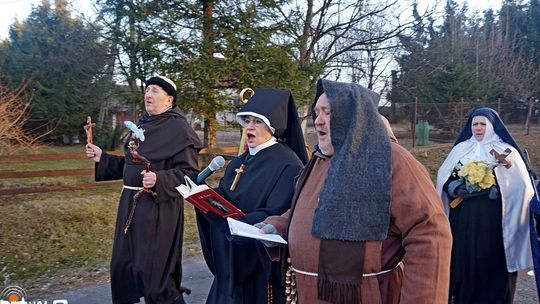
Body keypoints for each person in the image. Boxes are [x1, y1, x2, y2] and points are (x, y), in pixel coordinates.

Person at [256, 79, 452, 303]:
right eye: (316, 112)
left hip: (365, 295)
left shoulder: (392, 160)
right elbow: (312, 209)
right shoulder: (318, 161)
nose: (317, 120)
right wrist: (280, 226)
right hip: (308, 292)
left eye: (327, 113)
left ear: (355, 117)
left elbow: (429, 233)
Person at [85, 75, 202, 304]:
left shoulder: (179, 129)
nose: (148, 94)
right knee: (124, 265)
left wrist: (160, 179)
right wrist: (103, 158)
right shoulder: (142, 125)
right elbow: (130, 164)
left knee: (155, 275)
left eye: (155, 91)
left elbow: (190, 174)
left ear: (169, 99)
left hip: (158, 209)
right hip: (130, 206)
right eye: (147, 90)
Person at [196, 88, 308, 304]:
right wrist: (202, 196)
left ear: (273, 125)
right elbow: (226, 196)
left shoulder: (288, 164)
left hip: (258, 269)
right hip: (230, 263)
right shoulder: (239, 162)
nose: (249, 127)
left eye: (257, 122)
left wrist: (234, 223)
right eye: (247, 120)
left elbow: (276, 213)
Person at [436, 107, 535, 303]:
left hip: (493, 223)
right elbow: (444, 178)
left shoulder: (507, 152)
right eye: (475, 124)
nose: (478, 128)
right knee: (463, 258)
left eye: (483, 124)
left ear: (491, 126)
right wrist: (455, 188)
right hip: (463, 218)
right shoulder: (461, 149)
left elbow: (521, 187)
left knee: (489, 260)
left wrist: (497, 191)